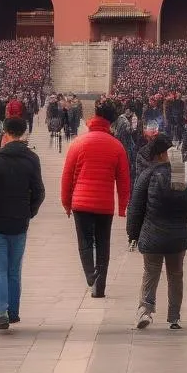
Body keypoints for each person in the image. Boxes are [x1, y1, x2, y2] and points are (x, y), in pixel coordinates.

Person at [0, 117, 45, 329]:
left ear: (5, 132)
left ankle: (1, 312)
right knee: (14, 269)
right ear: (24, 131)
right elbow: (39, 192)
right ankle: (14, 310)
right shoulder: (31, 159)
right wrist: (29, 212)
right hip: (19, 221)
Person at [60, 97, 131, 298]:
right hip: (104, 204)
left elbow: (67, 176)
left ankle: (90, 275)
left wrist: (66, 203)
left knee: (85, 242)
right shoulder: (117, 146)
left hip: (80, 202)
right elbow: (124, 180)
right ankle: (99, 288)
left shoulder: (78, 143)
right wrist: (123, 206)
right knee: (103, 245)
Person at [126, 133, 187, 330]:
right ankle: (174, 317)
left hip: (152, 234)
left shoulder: (147, 175)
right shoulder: (181, 174)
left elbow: (136, 207)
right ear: (167, 153)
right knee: (175, 275)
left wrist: (133, 234)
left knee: (151, 272)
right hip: (177, 235)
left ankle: (145, 310)